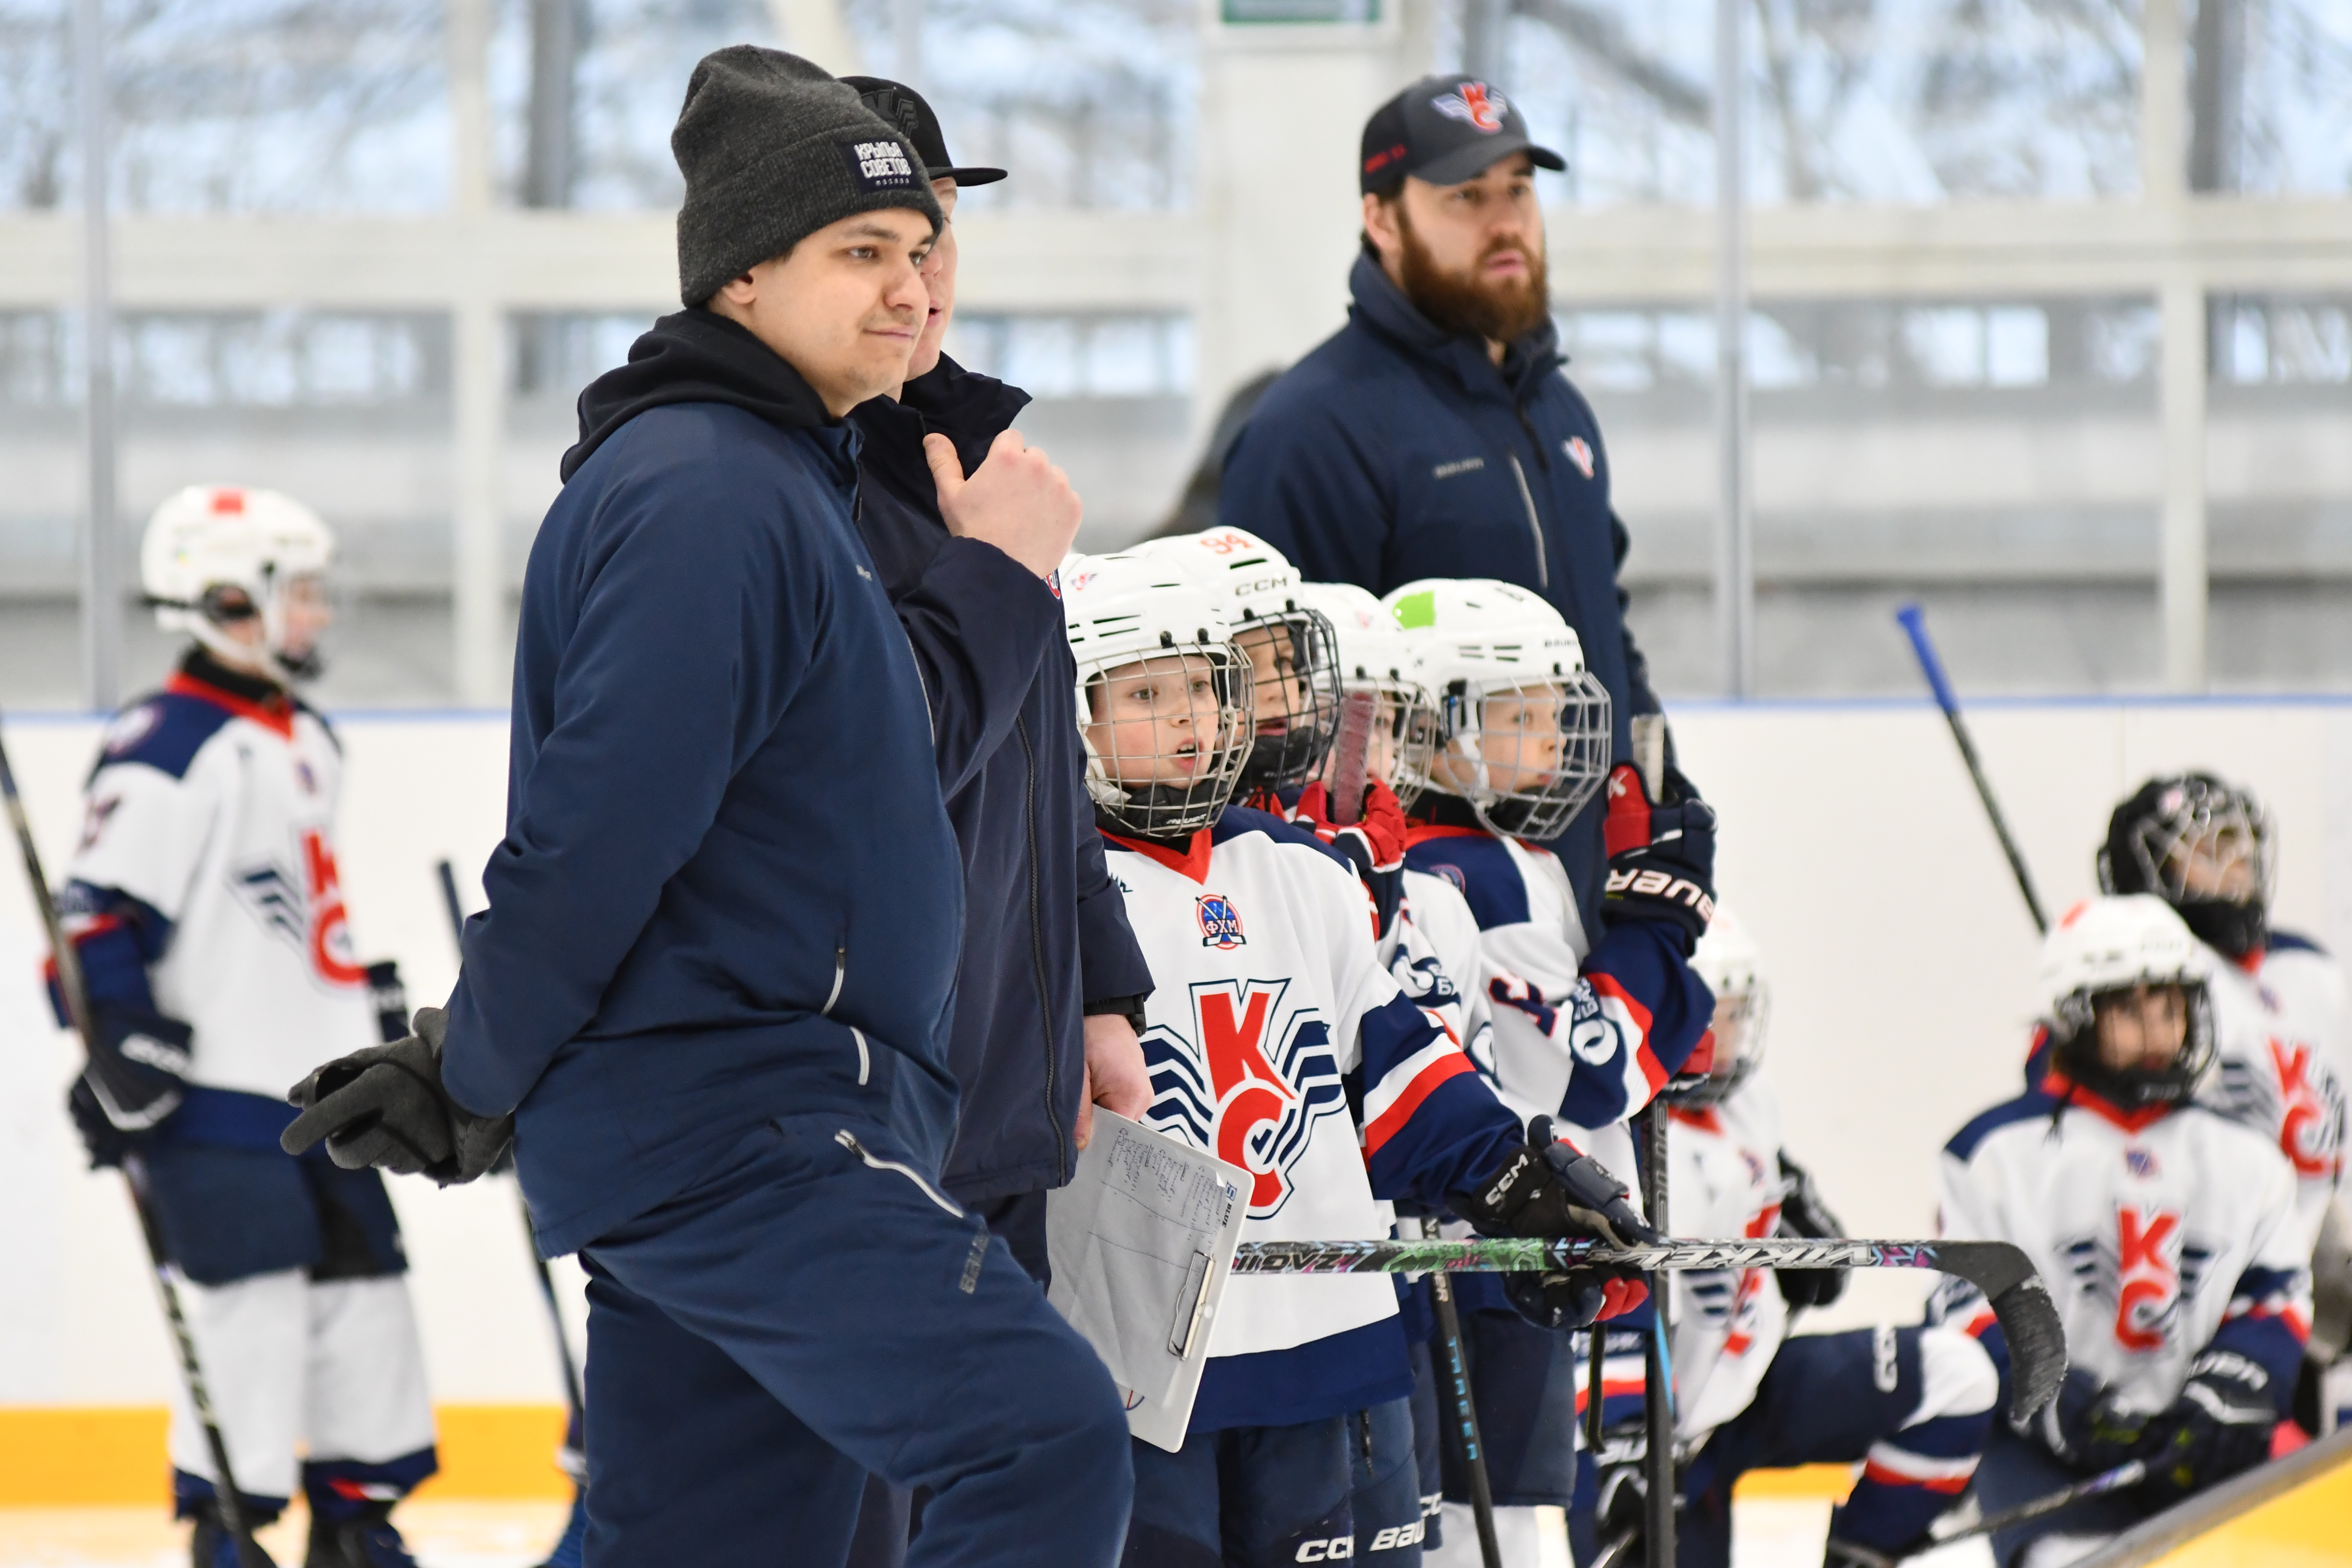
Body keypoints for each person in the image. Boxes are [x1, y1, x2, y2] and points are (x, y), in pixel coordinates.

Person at [277, 49, 1131, 1568]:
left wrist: (477, 1068)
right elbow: (594, 838)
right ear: (741, 278)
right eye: (859, 253)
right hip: (746, 1129)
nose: (905, 288)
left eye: (917, 251)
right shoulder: (711, 493)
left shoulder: (770, 476)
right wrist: (476, 1066)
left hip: (750, 1117)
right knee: (1039, 1429)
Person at [1060, 550, 1660, 1568]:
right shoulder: (1045, 893)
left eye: (1204, 685)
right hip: (1132, 1372)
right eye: (1147, 692)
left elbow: (1397, 1070)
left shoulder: (1301, 870)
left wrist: (1522, 1183)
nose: (1187, 720)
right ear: (1071, 712)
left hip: (1327, 1345)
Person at [823, 75, 1156, 1566]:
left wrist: (1098, 987)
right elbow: (874, 763)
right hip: (881, 1098)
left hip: (1008, 1088)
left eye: (938, 229)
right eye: (878, 238)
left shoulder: (976, 472)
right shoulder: (789, 488)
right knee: (867, 1507)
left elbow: (1036, 755)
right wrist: (988, 582)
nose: (923, 275)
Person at [45, 485, 437, 1568]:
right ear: (227, 598)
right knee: (247, 1325)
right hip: (216, 1099)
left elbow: (292, 908)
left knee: (368, 1308)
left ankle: (359, 1531)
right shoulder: (167, 743)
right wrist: (116, 1035)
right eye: (295, 594)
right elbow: (93, 916)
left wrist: (365, 996)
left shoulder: (306, 734)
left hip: (320, 1087)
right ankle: (232, 1538)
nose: (315, 614)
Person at [1218, 74, 1672, 942]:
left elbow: (1604, 629)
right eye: (1466, 196)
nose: (1505, 221)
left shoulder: (1556, 407)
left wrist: (1657, 795)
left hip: (1576, 902)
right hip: (1427, 929)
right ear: (1382, 219)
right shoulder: (1313, 426)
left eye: (1519, 191)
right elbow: (1282, 703)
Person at [1381, 577, 1715, 1559]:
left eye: (1551, 709)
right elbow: (1590, 1072)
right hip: (1502, 1253)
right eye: (1514, 712)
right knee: (1508, 1529)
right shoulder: (1482, 870)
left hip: (1481, 1241)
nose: (1548, 736)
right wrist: (1657, 925)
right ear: (1431, 725)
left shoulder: (1469, 855)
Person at [1570, 909, 1997, 1568]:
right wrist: (1626, 1449)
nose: (1727, 1038)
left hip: (1751, 1385)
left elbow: (1787, 1209)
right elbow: (1605, 1311)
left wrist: (1798, 1237)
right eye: (1710, 1017)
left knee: (1960, 1376)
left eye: (1737, 1015)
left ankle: (1861, 1552)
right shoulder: (1610, 1131)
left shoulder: (1750, 1101)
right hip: (1638, 1441)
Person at [1936, 896, 2311, 1566]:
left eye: (2170, 1007)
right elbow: (1971, 1312)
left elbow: (2274, 1296)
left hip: (2204, 1450)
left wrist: (2227, 1394)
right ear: (2078, 1015)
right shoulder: (1992, 1154)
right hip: (2051, 1465)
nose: (2160, 1030)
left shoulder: (2246, 1156)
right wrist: (2071, 1409)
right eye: (2131, 1011)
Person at [2096, 774, 2351, 1436]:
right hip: (2207, 1245)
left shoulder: (2310, 970)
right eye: (2204, 851)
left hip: (2322, 1232)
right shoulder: (2140, 982)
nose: (2232, 869)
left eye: (2237, 846)